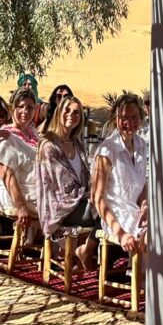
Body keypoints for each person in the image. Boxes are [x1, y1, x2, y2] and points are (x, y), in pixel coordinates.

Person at [35, 95, 99, 268]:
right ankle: (88, 251)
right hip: (61, 207)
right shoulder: (49, 145)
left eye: (76, 112)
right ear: (59, 113)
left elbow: (87, 177)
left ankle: (98, 256)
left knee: (118, 208)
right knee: (106, 212)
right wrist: (92, 194)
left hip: (81, 201)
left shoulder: (76, 144)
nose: (72, 115)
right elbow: (63, 186)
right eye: (67, 110)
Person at [91, 92, 147, 257]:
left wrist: (145, 207)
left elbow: (142, 184)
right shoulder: (107, 150)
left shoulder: (141, 145)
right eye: (124, 118)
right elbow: (97, 198)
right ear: (115, 119)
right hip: (116, 216)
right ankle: (142, 274)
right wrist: (120, 233)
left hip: (136, 211)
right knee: (150, 239)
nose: (130, 123)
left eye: (134, 117)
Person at [0, 87, 40, 231]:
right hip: (18, 196)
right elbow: (6, 173)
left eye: (30, 107)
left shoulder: (31, 132)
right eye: (20, 106)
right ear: (12, 109)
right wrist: (21, 206)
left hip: (33, 191)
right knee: (67, 207)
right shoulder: (7, 136)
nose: (25, 111)